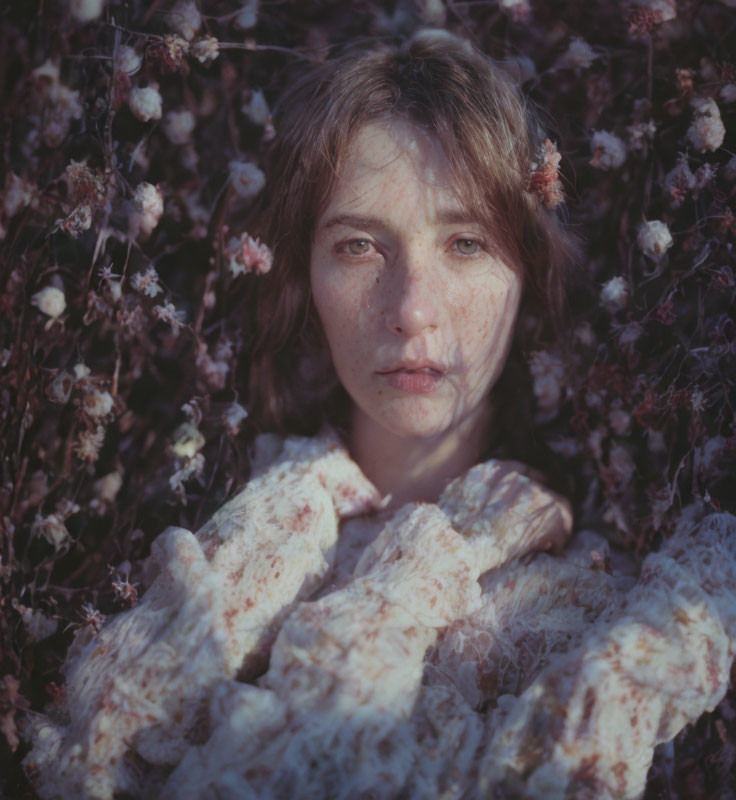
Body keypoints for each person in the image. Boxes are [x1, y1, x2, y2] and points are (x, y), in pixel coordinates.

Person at [23, 30, 736, 800]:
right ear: (305, 276)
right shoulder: (211, 531)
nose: (411, 310)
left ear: (527, 272)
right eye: (360, 246)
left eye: (466, 242)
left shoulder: (591, 612)